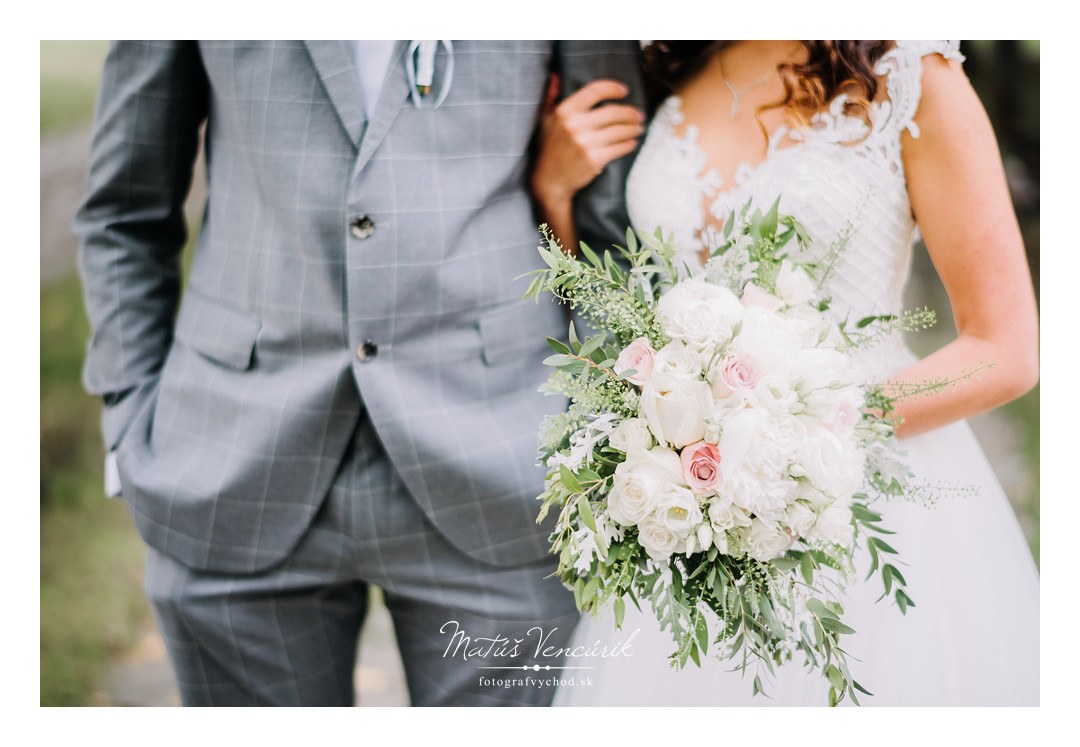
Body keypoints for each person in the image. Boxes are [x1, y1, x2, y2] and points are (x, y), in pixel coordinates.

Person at [75, 40, 645, 707]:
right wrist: (126, 420)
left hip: (507, 460)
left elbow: (615, 223)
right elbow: (124, 208)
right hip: (231, 454)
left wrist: (613, 443)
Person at [533, 40, 1040, 706]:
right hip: (696, 511)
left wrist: (793, 437)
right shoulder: (666, 62)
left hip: (865, 496)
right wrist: (555, 191)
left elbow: (1005, 347)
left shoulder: (912, 75)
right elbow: (621, 309)